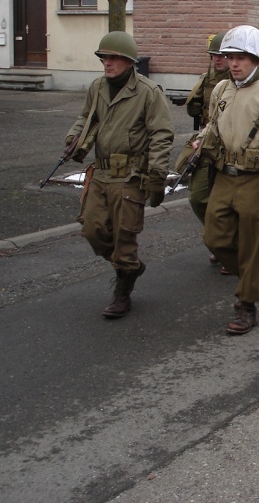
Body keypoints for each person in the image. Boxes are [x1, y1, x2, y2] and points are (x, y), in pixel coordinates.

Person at [196, 25, 259, 334]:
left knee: (252, 246)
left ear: (256, 59)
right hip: (225, 175)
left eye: (242, 57)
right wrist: (198, 144)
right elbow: (212, 126)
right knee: (214, 238)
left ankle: (246, 304)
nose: (235, 63)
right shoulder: (221, 91)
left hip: (257, 179)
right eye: (230, 57)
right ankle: (251, 278)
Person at [66, 31, 174, 319]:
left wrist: (157, 176)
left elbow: (162, 136)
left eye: (113, 57)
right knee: (92, 229)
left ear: (129, 62)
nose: (107, 63)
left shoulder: (149, 92)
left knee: (125, 236)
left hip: (130, 177)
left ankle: (122, 290)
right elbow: (86, 116)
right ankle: (130, 267)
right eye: (104, 57)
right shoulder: (98, 87)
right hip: (100, 173)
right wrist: (74, 136)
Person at [182, 32, 230, 269]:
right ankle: (218, 239)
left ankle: (229, 247)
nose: (217, 60)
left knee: (230, 202)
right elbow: (192, 110)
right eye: (214, 56)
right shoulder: (205, 79)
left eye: (221, 55)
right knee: (198, 197)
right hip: (205, 142)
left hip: (230, 146)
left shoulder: (237, 80)